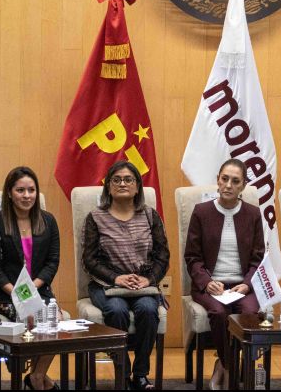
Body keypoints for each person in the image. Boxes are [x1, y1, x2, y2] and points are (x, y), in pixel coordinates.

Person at [82, 160, 169, 391]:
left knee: (148, 310)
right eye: (116, 180)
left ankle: (140, 375)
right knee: (117, 310)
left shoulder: (150, 216)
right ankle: (123, 370)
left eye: (128, 179)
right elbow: (89, 260)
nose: (122, 183)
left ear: (138, 186)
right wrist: (115, 278)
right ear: (108, 187)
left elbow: (163, 255)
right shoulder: (95, 217)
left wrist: (149, 280)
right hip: (106, 285)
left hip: (143, 285)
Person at [184, 159, 265, 390]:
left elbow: (258, 258)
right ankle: (231, 369)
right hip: (211, 285)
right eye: (224, 179)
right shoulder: (202, 212)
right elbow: (192, 256)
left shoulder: (253, 214)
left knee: (250, 313)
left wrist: (248, 284)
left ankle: (223, 363)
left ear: (243, 186)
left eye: (235, 181)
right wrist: (207, 282)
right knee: (219, 313)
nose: (228, 185)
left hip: (241, 285)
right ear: (218, 181)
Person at [0, 166, 61, 390]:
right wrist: (17, 292)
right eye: (20, 190)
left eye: (31, 190)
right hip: (3, 292)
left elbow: (52, 262)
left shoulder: (48, 221)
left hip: (38, 289)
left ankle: (36, 376)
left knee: (56, 319)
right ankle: (32, 377)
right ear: (9, 193)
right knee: (30, 315)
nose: (27, 196)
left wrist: (32, 288)